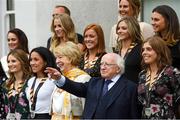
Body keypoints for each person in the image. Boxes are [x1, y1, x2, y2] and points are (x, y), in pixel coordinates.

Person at [45, 53, 139, 119]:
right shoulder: (94, 82)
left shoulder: (130, 88)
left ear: (118, 68)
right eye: (101, 64)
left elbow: (134, 115)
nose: (102, 67)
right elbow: (76, 87)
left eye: (107, 64)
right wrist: (59, 78)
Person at [138, 36, 180, 119]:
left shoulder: (172, 73)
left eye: (149, 49)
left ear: (159, 51)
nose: (144, 52)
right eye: (143, 50)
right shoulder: (142, 74)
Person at [50, 41, 91, 120]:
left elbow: (86, 108)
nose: (57, 61)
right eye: (56, 58)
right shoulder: (59, 78)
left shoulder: (83, 78)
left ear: (71, 58)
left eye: (60, 57)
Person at [26, 47, 57, 119]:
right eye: (31, 60)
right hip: (31, 116)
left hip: (46, 116)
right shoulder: (31, 81)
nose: (32, 63)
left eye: (36, 60)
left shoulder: (53, 80)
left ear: (45, 61)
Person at [2, 49, 31, 119]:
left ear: (22, 62)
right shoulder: (6, 84)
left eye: (13, 61)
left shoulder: (30, 82)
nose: (10, 64)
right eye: (8, 62)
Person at [151, 5, 180, 70]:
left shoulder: (178, 43)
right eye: (152, 19)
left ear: (168, 21)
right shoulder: (153, 41)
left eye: (156, 20)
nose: (152, 23)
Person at [116, 16, 143, 84]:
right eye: (118, 28)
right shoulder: (117, 50)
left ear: (133, 29)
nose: (119, 31)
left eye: (124, 28)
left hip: (134, 88)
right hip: (118, 89)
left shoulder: (141, 48)